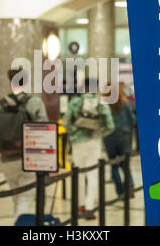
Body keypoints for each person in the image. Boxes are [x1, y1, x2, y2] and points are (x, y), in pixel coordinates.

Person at [0, 68, 48, 222]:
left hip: (6, 158)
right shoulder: (34, 102)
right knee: (25, 198)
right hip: (29, 159)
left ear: (10, 83)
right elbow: (44, 132)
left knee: (17, 196)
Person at [64, 78, 115, 220]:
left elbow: (66, 122)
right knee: (92, 175)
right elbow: (110, 126)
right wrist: (98, 133)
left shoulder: (75, 102)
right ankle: (89, 207)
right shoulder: (101, 103)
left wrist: (74, 133)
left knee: (78, 174)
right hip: (94, 143)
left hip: (78, 144)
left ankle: (80, 205)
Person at [102, 83, 136, 197]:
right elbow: (133, 120)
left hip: (109, 137)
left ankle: (120, 190)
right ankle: (130, 187)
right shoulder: (125, 104)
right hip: (124, 137)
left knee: (114, 165)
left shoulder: (104, 105)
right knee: (125, 164)